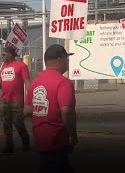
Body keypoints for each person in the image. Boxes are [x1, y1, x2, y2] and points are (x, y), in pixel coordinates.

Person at [24, 44, 77, 173]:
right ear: (59, 60)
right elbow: (66, 111)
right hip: (57, 138)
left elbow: (27, 110)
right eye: (67, 59)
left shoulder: (36, 81)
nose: (68, 63)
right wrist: (72, 134)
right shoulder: (63, 82)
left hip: (40, 138)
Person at [0, 46, 30, 153]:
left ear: (10, 54)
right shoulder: (3, 66)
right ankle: (9, 146)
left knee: (18, 122)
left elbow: (27, 81)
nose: (2, 57)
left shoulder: (21, 66)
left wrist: (30, 98)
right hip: (5, 99)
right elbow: (1, 83)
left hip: (17, 100)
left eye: (4, 54)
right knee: (6, 124)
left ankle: (25, 142)